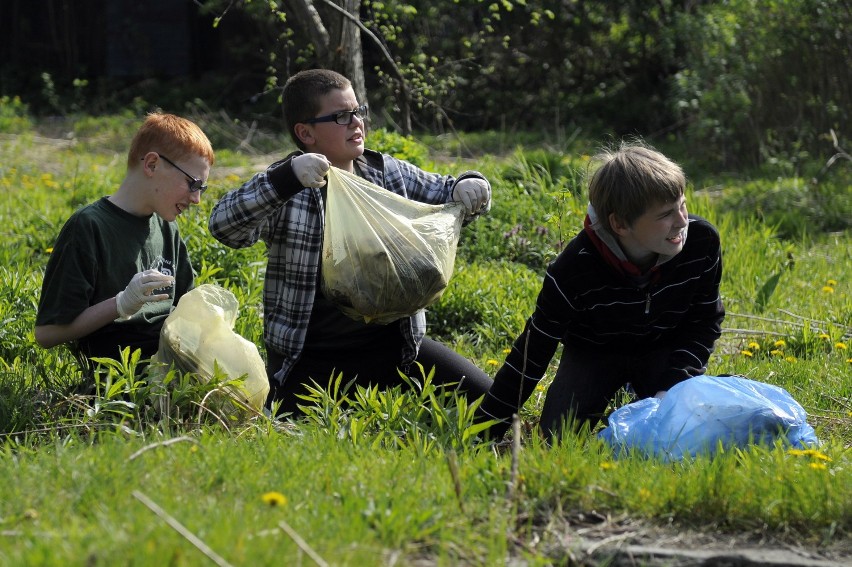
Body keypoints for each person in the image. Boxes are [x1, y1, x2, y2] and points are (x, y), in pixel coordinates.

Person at [208, 68, 494, 417]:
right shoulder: (291, 186)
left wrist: (470, 184)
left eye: (358, 112)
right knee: (297, 436)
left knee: (494, 408)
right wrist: (286, 180)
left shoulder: (384, 173)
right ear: (305, 132)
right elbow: (224, 226)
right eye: (341, 116)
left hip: (396, 351)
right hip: (312, 362)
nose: (356, 123)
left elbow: (447, 191)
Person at [476, 141, 724, 441]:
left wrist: (670, 389)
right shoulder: (574, 267)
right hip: (593, 353)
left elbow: (704, 321)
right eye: (665, 215)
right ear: (619, 224)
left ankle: (647, 396)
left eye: (682, 205)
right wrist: (484, 431)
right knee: (558, 438)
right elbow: (533, 351)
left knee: (681, 433)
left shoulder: (701, 242)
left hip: (664, 346)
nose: (682, 220)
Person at [35, 112, 215, 368]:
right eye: (193, 184)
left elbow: (183, 307)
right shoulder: (88, 226)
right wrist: (120, 304)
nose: (197, 199)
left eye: (201, 188)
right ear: (152, 164)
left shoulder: (166, 227)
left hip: (171, 368)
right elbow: (46, 334)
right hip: (122, 382)